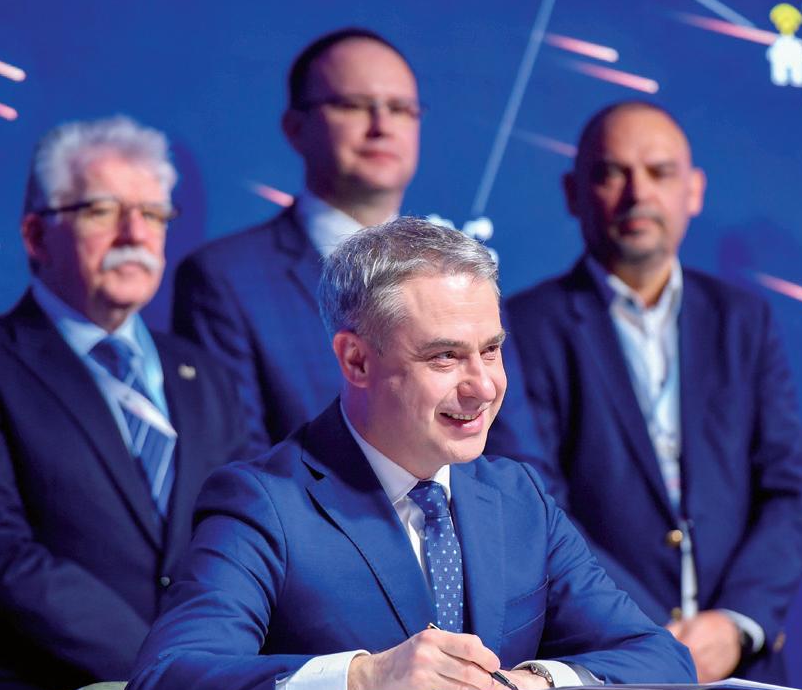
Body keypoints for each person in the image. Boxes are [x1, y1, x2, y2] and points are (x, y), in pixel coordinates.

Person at [124, 218, 694, 690]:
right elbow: (165, 681)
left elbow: (659, 658)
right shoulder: (266, 503)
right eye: (445, 356)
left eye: (491, 350)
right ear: (356, 360)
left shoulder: (518, 497)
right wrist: (363, 680)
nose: (483, 386)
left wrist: (535, 682)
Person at [491, 102, 802, 684]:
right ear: (573, 193)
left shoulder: (744, 319)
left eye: (660, 172)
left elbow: (787, 488)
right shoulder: (522, 326)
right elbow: (538, 501)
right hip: (605, 663)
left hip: (744, 662)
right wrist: (646, 634)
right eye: (611, 173)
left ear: (694, 191)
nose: (637, 192)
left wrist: (734, 623)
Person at [0, 116, 246, 690]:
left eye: (153, 213)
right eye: (101, 211)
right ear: (37, 235)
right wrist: (168, 670)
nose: (134, 233)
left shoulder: (204, 373)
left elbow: (240, 535)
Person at [171, 28, 544, 471]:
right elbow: (244, 469)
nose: (381, 126)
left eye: (400, 109)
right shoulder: (226, 279)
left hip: (457, 517)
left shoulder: (463, 274)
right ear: (296, 128)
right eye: (353, 105)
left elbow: (520, 466)